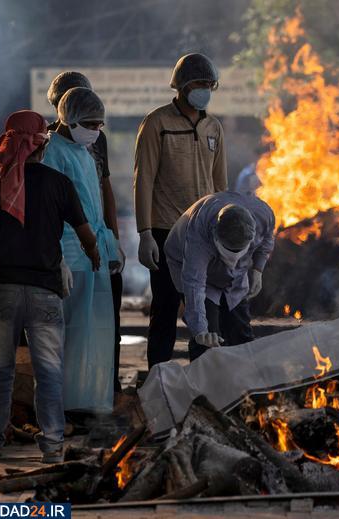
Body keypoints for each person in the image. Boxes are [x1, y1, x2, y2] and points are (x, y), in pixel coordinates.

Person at [0, 111, 99, 463]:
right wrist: (94, 253)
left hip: (2, 289)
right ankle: (53, 445)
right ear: (41, 145)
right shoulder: (58, 183)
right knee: (49, 371)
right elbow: (86, 232)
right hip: (45, 290)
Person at [134, 53, 228, 367]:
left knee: (204, 310)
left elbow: (220, 184)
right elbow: (143, 179)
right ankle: (158, 379)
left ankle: (202, 379)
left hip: (203, 233)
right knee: (164, 309)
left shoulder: (214, 127)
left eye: (209, 84)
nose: (205, 90)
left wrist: (223, 229)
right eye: (200, 83)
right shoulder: (157, 123)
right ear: (182, 86)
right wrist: (145, 233)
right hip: (165, 230)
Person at [46, 71, 126, 392]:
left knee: (99, 326)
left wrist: (112, 241)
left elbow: (101, 193)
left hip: (94, 245)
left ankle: (98, 389)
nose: (95, 129)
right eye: (89, 122)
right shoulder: (50, 148)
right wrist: (57, 256)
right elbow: (51, 209)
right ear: (66, 112)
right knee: (67, 329)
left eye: (98, 124)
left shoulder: (90, 144)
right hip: (68, 248)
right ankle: (67, 396)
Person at [163, 192, 275, 360]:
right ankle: (203, 373)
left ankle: (242, 374)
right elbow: (195, 285)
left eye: (238, 250)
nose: (232, 257)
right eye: (228, 250)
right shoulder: (198, 235)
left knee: (239, 331)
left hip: (237, 273)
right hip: (188, 262)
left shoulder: (264, 215)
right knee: (208, 339)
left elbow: (267, 239)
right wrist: (201, 331)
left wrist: (258, 270)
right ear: (216, 235)